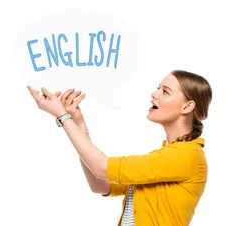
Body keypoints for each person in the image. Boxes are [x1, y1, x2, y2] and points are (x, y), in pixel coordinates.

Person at [26, 70, 212, 226]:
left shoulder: (186, 155)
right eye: (158, 88)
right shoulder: (164, 158)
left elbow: (101, 168)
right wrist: (78, 125)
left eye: (166, 91)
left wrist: (62, 116)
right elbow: (100, 184)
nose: (154, 94)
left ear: (187, 106)